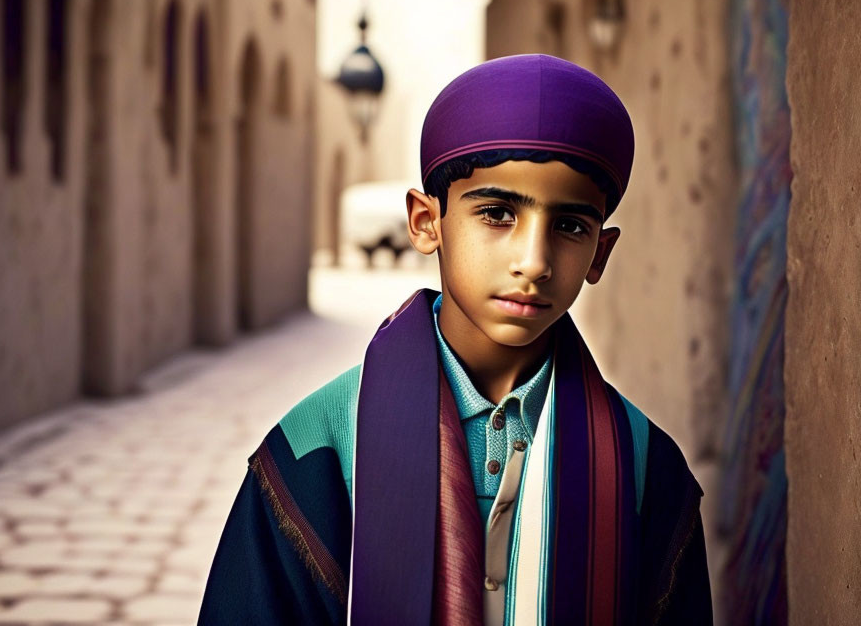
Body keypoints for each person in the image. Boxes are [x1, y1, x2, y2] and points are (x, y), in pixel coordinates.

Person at [197, 54, 712, 625]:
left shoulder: (645, 468)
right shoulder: (319, 448)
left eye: (570, 226)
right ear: (425, 222)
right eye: (496, 213)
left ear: (601, 252)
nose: (533, 261)